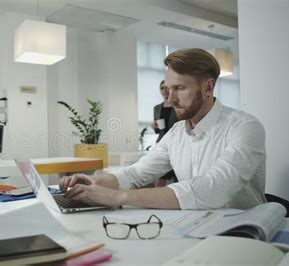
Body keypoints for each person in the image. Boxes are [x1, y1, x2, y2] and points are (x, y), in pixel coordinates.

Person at [60, 48, 267, 210]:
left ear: (208, 87)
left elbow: (214, 188)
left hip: (243, 232)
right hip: (194, 229)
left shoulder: (244, 127)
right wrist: (95, 181)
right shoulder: (176, 134)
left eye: (180, 88)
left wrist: (118, 196)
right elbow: (135, 174)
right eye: (168, 89)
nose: (170, 99)